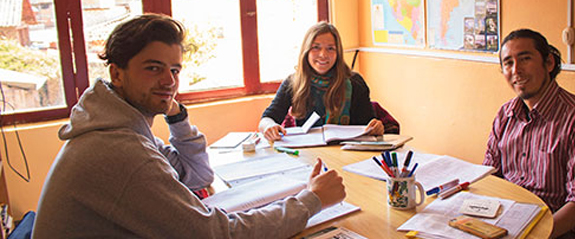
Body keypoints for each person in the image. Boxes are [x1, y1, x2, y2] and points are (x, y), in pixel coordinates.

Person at [33, 14, 345, 238]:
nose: (169, 81)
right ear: (117, 74)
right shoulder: (119, 150)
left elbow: (197, 176)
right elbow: (215, 234)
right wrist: (312, 200)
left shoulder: (125, 128)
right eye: (153, 68)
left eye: (174, 69)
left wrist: (177, 115)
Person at [483, 29, 575, 238]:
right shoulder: (506, 114)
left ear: (549, 63)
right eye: (508, 63)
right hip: (507, 220)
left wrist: (532, 236)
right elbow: (490, 173)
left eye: (525, 59)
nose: (516, 71)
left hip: (560, 230)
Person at [259, 22, 384, 141]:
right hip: (307, 154)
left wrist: (375, 127)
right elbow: (267, 119)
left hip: (345, 155)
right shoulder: (293, 82)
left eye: (330, 48)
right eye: (316, 48)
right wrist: (268, 126)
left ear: (338, 53)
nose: (323, 55)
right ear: (306, 51)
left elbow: (369, 124)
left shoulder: (355, 83)